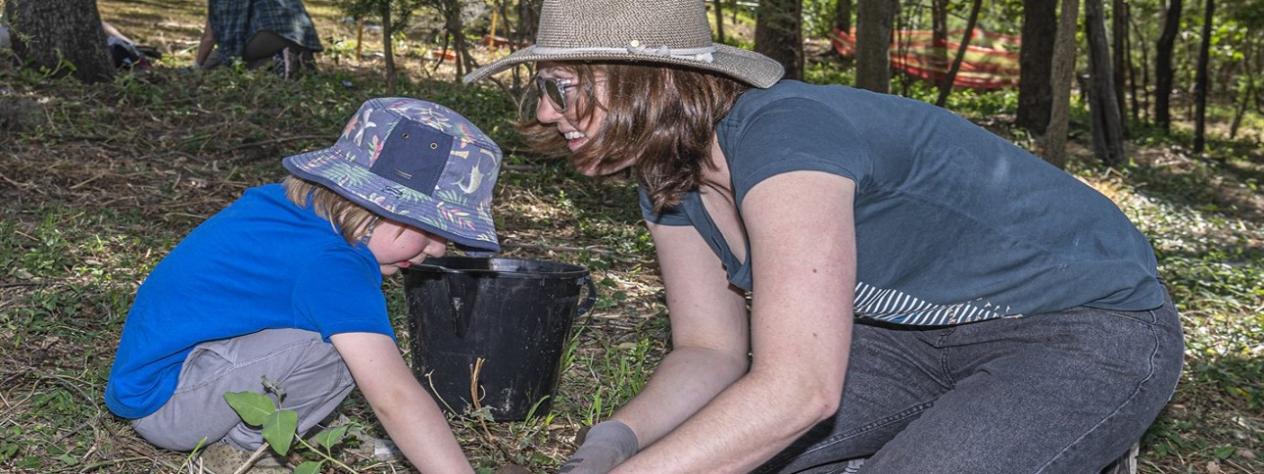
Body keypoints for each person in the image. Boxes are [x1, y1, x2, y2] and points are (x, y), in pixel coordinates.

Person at [464, 1, 1185, 473]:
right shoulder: (669, 180)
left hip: (1085, 330)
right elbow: (709, 351)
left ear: (646, 80)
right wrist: (617, 442)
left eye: (563, 86)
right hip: (904, 338)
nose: (549, 111)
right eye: (543, 88)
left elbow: (800, 391)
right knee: (728, 454)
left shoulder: (786, 135)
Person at [104, 97, 502, 473]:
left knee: (345, 334)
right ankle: (243, 450)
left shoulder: (287, 209)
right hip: (170, 407)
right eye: (432, 230)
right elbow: (394, 397)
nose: (435, 249)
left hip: (167, 378)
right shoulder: (331, 265)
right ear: (381, 207)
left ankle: (287, 434)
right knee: (344, 347)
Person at [195, 0, 322, 76]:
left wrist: (197, 66)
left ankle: (277, 62)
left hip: (271, 35)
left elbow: (209, 38)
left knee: (219, 61)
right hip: (303, 38)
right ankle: (291, 60)